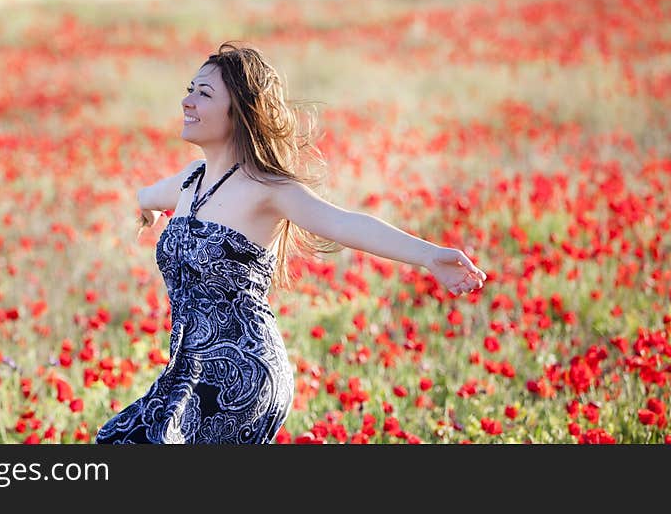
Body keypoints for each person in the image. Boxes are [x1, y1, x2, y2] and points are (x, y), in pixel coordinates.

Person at [95, 41, 487, 444]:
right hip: (189, 373)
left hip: (242, 376)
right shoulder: (190, 181)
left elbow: (344, 223)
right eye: (190, 89)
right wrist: (147, 212)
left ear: (240, 113)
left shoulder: (267, 188)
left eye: (204, 94)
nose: (187, 101)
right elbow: (147, 196)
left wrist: (430, 257)